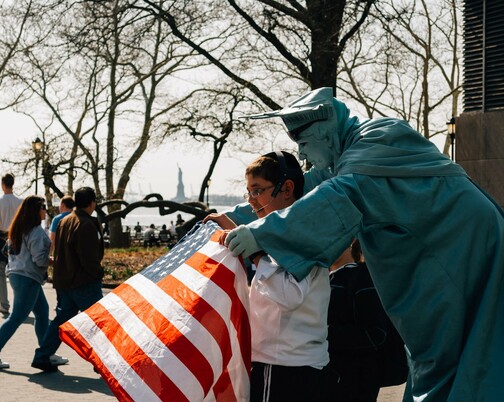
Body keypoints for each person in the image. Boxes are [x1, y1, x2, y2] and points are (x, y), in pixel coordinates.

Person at [219, 87, 504, 401]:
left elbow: (339, 196)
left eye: (302, 142)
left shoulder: (376, 142)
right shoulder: (351, 156)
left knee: (466, 349)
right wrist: (233, 217)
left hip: (463, 249)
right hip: (444, 253)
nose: (300, 153)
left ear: (324, 132)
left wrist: (261, 235)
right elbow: (303, 190)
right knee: (447, 352)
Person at [206, 151, 332, 401]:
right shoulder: (289, 231)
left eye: (257, 191)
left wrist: (255, 254)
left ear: (287, 189)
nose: (251, 201)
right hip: (290, 364)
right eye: (248, 192)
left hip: (284, 366)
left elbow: (289, 295)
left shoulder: (301, 234)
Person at [31, 187, 104, 372]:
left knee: (61, 321)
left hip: (65, 280)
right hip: (84, 281)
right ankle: (101, 361)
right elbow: (88, 256)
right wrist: (98, 272)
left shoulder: (65, 221)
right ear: (91, 203)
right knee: (98, 321)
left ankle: (42, 355)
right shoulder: (86, 224)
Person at [0, 196, 53, 369]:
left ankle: (46, 352)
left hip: (19, 274)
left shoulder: (18, 229)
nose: (45, 210)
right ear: (35, 211)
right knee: (17, 317)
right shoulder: (35, 231)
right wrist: (55, 260)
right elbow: (40, 260)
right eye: (42, 207)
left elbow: (9, 251)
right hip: (27, 277)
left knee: (42, 312)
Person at [327, 239, 395, 402]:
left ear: (350, 241)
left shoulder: (362, 276)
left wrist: (322, 333)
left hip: (354, 381)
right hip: (327, 379)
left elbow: (374, 333)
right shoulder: (318, 278)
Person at [0, 173, 23, 315]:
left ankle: (4, 304)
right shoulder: (20, 202)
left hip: (2, 238)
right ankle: (19, 304)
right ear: (13, 184)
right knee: (17, 272)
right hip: (16, 238)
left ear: (3, 184)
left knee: (1, 272)